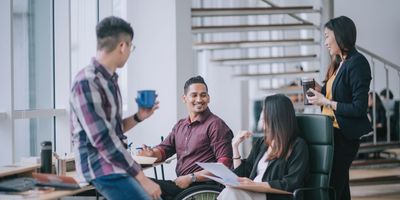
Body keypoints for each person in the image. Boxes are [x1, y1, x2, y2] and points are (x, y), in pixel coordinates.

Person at [70, 16, 161, 200]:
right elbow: (103, 139)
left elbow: (113, 129)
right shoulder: (87, 82)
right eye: (131, 47)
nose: (129, 52)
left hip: (114, 164)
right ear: (122, 46)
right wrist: (142, 178)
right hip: (100, 167)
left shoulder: (110, 80)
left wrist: (138, 117)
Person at [306, 16, 372, 200]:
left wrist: (325, 102)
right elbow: (337, 93)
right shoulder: (339, 63)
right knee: (339, 186)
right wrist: (322, 90)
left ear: (340, 35)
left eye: (327, 36)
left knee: (333, 185)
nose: (325, 42)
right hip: (330, 133)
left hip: (343, 136)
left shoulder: (358, 63)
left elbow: (359, 108)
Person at [138, 75, 234, 200]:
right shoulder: (180, 125)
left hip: (199, 187)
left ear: (208, 98)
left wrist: (191, 177)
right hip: (181, 185)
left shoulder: (216, 125)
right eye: (194, 95)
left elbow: (224, 165)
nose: (199, 99)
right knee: (136, 182)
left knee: (138, 182)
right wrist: (151, 154)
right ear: (184, 98)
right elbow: (164, 150)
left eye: (203, 95)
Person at [218, 94, 309, 200]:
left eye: (265, 111)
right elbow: (244, 173)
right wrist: (235, 146)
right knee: (230, 191)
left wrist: (253, 185)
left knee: (231, 193)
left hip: (274, 196)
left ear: (275, 116)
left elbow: (291, 183)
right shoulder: (263, 142)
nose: (261, 115)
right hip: (252, 193)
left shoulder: (298, 146)